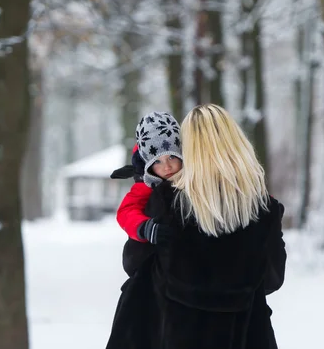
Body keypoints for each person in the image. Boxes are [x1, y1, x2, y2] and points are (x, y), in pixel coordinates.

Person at [105, 104, 287, 349]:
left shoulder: (167, 201)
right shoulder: (264, 211)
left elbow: (133, 264)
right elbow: (272, 280)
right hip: (241, 335)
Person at [110, 111, 183, 275]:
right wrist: (144, 228)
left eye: (172, 157)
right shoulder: (146, 185)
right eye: (157, 161)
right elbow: (126, 211)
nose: (167, 167)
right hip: (151, 258)